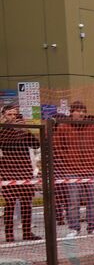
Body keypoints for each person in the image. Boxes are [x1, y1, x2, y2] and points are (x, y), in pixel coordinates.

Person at [52, 101, 94, 237]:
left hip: (91, 169)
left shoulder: (93, 128)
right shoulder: (63, 127)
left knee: (93, 200)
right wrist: (68, 159)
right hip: (72, 170)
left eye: (83, 111)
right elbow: (57, 147)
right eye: (78, 111)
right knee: (73, 201)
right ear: (71, 112)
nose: (81, 114)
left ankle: (93, 227)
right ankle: (74, 228)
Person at [0, 102, 39, 242]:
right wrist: (11, 128)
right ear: (3, 116)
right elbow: (4, 143)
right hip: (8, 170)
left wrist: (24, 129)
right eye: (9, 114)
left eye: (14, 114)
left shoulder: (22, 130)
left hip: (24, 170)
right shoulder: (2, 130)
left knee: (26, 202)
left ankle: (27, 232)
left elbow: (35, 144)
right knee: (10, 203)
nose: (12, 117)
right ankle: (9, 234)